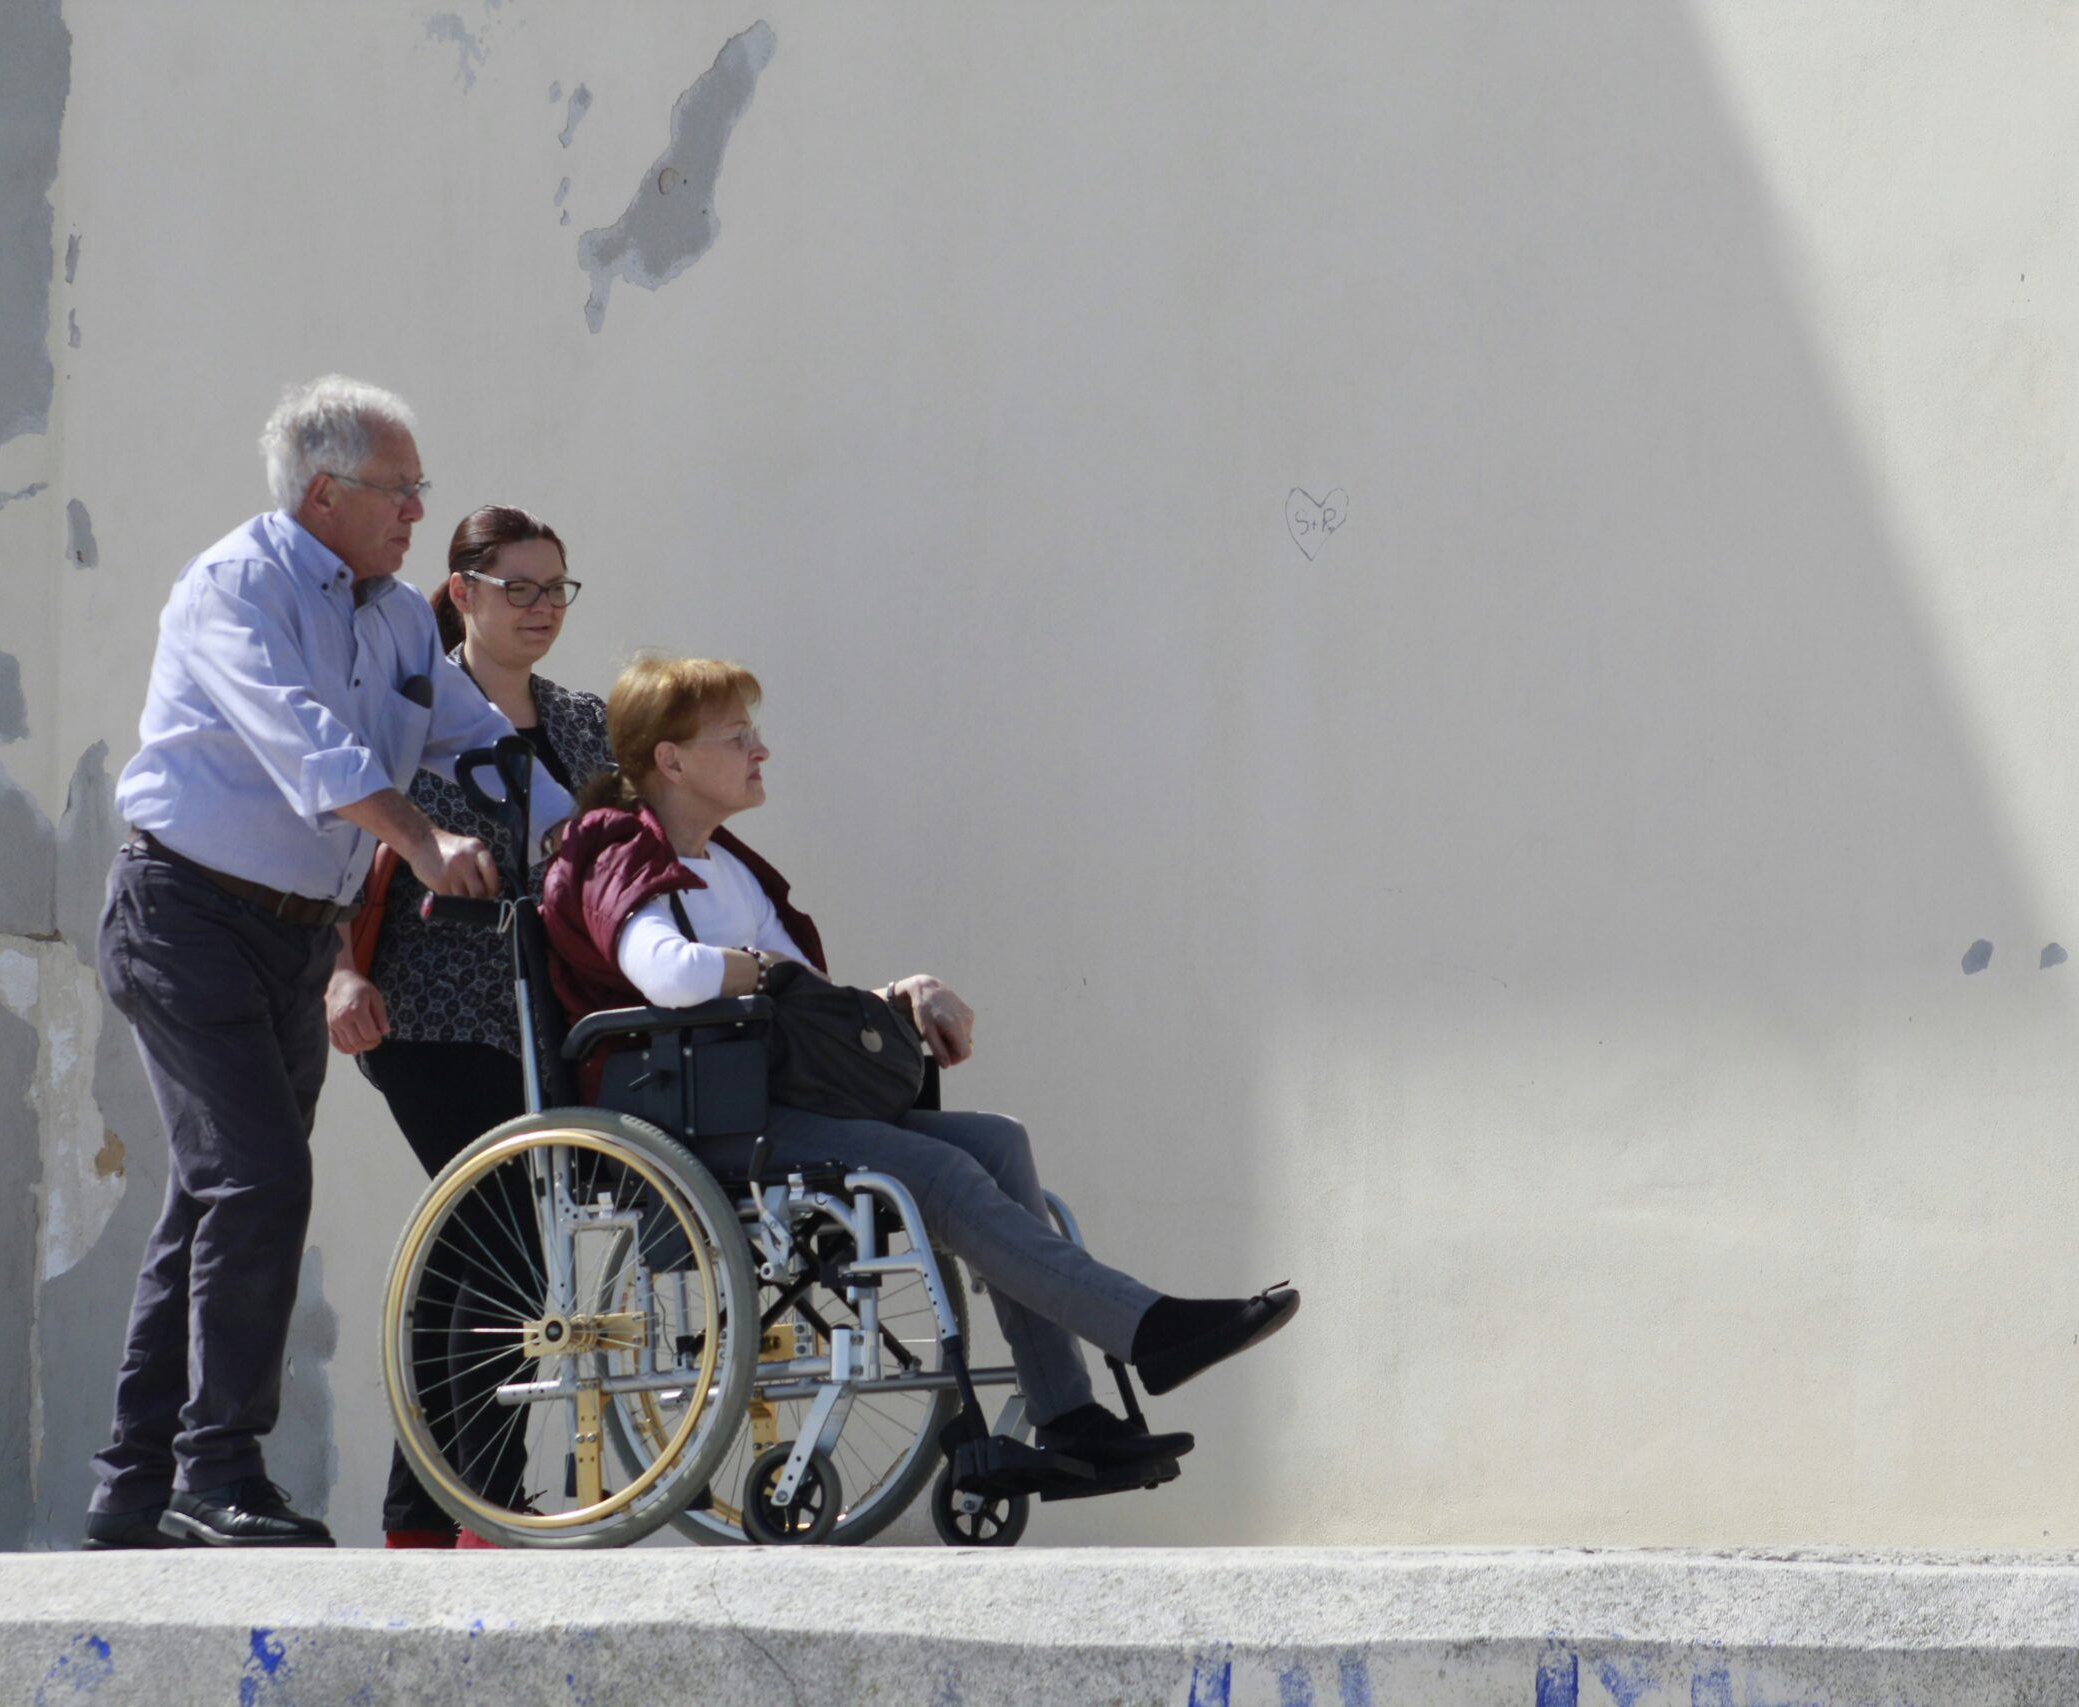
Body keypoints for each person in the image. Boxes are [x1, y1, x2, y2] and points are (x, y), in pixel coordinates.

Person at [540, 655, 1300, 1487]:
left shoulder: (729, 866)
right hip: (697, 1121)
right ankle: (1146, 1327)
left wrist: (901, 993)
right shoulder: (613, 845)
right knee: (936, 1169)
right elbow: (671, 975)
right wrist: (762, 970)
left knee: (998, 1142)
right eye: (738, 736)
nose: (763, 751)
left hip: (772, 1099)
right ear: (672, 761)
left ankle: (1070, 1417)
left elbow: (807, 1000)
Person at [84, 376, 514, 1550]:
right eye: (401, 490)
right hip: (186, 916)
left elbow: (470, 735)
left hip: (291, 936)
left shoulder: (396, 616)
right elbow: (305, 745)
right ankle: (215, 1473)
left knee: (215, 1196)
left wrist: (621, 800)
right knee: (257, 1182)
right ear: (325, 493)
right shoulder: (238, 585)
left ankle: (132, 1486)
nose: (419, 512)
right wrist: (422, 845)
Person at [323, 506, 613, 1548]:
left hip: (545, 1016)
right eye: (519, 588)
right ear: (463, 591)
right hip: (430, 1008)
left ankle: (436, 1513)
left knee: (488, 1250)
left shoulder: (584, 724)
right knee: (506, 1242)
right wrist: (340, 975)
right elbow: (341, 855)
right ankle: (472, 1509)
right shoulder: (411, 710)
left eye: (557, 589)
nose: (542, 609)